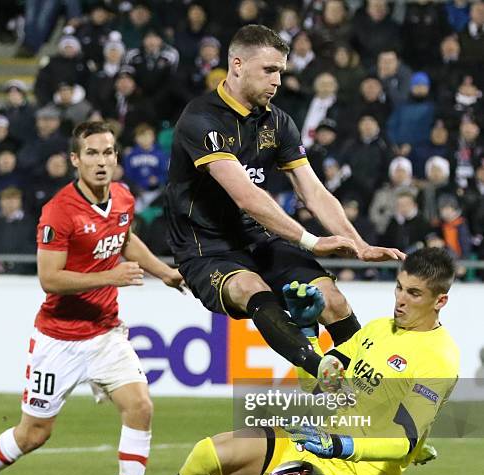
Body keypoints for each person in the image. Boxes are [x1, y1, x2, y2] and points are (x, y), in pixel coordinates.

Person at [77, 247, 460, 475]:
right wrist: (309, 333)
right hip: (315, 444)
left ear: (440, 300)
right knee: (209, 453)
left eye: (414, 294)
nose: (400, 301)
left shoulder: (439, 359)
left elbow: (404, 442)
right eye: (398, 287)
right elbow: (321, 389)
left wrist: (340, 445)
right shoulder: (379, 329)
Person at [0, 121, 184, 475]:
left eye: (108, 152)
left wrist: (164, 272)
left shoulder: (123, 198)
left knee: (140, 406)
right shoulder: (59, 210)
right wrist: (111, 277)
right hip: (60, 338)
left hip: (106, 332)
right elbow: (50, 278)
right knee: (34, 434)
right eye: (91, 153)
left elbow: (124, 239)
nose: (101, 161)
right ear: (75, 160)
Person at [165, 24, 402, 378]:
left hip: (258, 238)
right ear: (238, 64)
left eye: (281, 71)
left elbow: (314, 191)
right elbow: (246, 196)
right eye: (269, 70)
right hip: (205, 247)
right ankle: (323, 372)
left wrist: (359, 244)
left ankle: (367, 390)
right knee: (251, 288)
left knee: (332, 300)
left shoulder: (278, 122)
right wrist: (311, 241)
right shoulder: (202, 119)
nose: (277, 80)